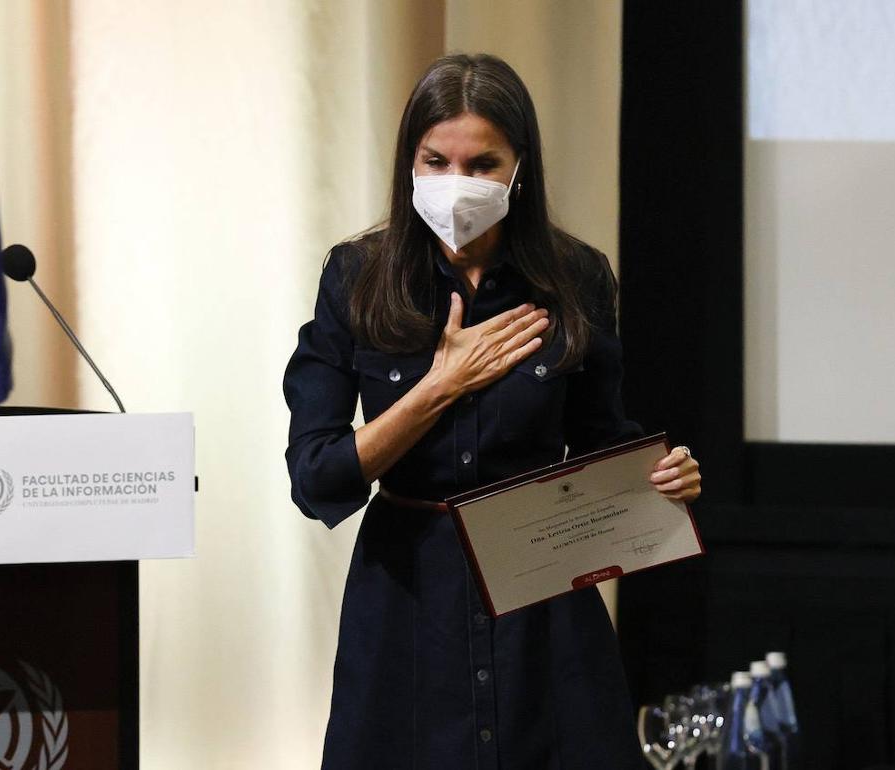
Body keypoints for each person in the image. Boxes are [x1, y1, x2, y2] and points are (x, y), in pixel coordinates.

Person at [283, 53, 701, 769]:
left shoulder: (574, 278)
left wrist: (659, 478)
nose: (458, 183)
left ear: (518, 169)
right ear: (408, 164)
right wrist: (439, 387)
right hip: (408, 597)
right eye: (436, 160)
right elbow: (316, 478)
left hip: (541, 597)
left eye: (482, 164)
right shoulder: (357, 279)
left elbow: (605, 441)